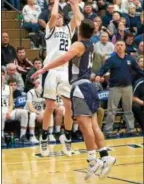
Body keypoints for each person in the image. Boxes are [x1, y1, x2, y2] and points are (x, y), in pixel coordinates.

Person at [32, 19, 116, 180]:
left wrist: (43, 69)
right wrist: (74, 3)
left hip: (80, 88)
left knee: (86, 128)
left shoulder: (78, 45)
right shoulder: (91, 43)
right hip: (89, 87)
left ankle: (93, 160)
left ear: (79, 31)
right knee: (93, 125)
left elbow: (63, 59)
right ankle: (105, 156)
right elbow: (81, 20)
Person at [32, 0, 83, 157]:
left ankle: (67, 139)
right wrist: (55, 0)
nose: (59, 18)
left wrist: (74, 4)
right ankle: (44, 138)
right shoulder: (50, 29)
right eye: (58, 17)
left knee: (68, 107)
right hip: (51, 70)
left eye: (62, 17)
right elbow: (53, 15)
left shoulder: (68, 30)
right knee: (50, 107)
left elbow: (77, 20)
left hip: (65, 70)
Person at [95, 40, 144, 136]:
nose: (119, 47)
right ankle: (108, 131)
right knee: (111, 110)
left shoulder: (130, 59)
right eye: (117, 45)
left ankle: (131, 129)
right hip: (114, 88)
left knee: (128, 110)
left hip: (128, 88)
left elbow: (139, 70)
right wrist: (98, 75)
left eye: (121, 45)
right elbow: (103, 69)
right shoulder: (111, 59)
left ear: (125, 47)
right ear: (115, 47)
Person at [2, 68, 29, 146]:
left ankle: (22, 136)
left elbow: (11, 104)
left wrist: (8, 112)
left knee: (24, 112)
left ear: (5, 76)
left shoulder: (8, 88)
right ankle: (1, 137)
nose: (1, 76)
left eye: (2, 75)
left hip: (8, 111)